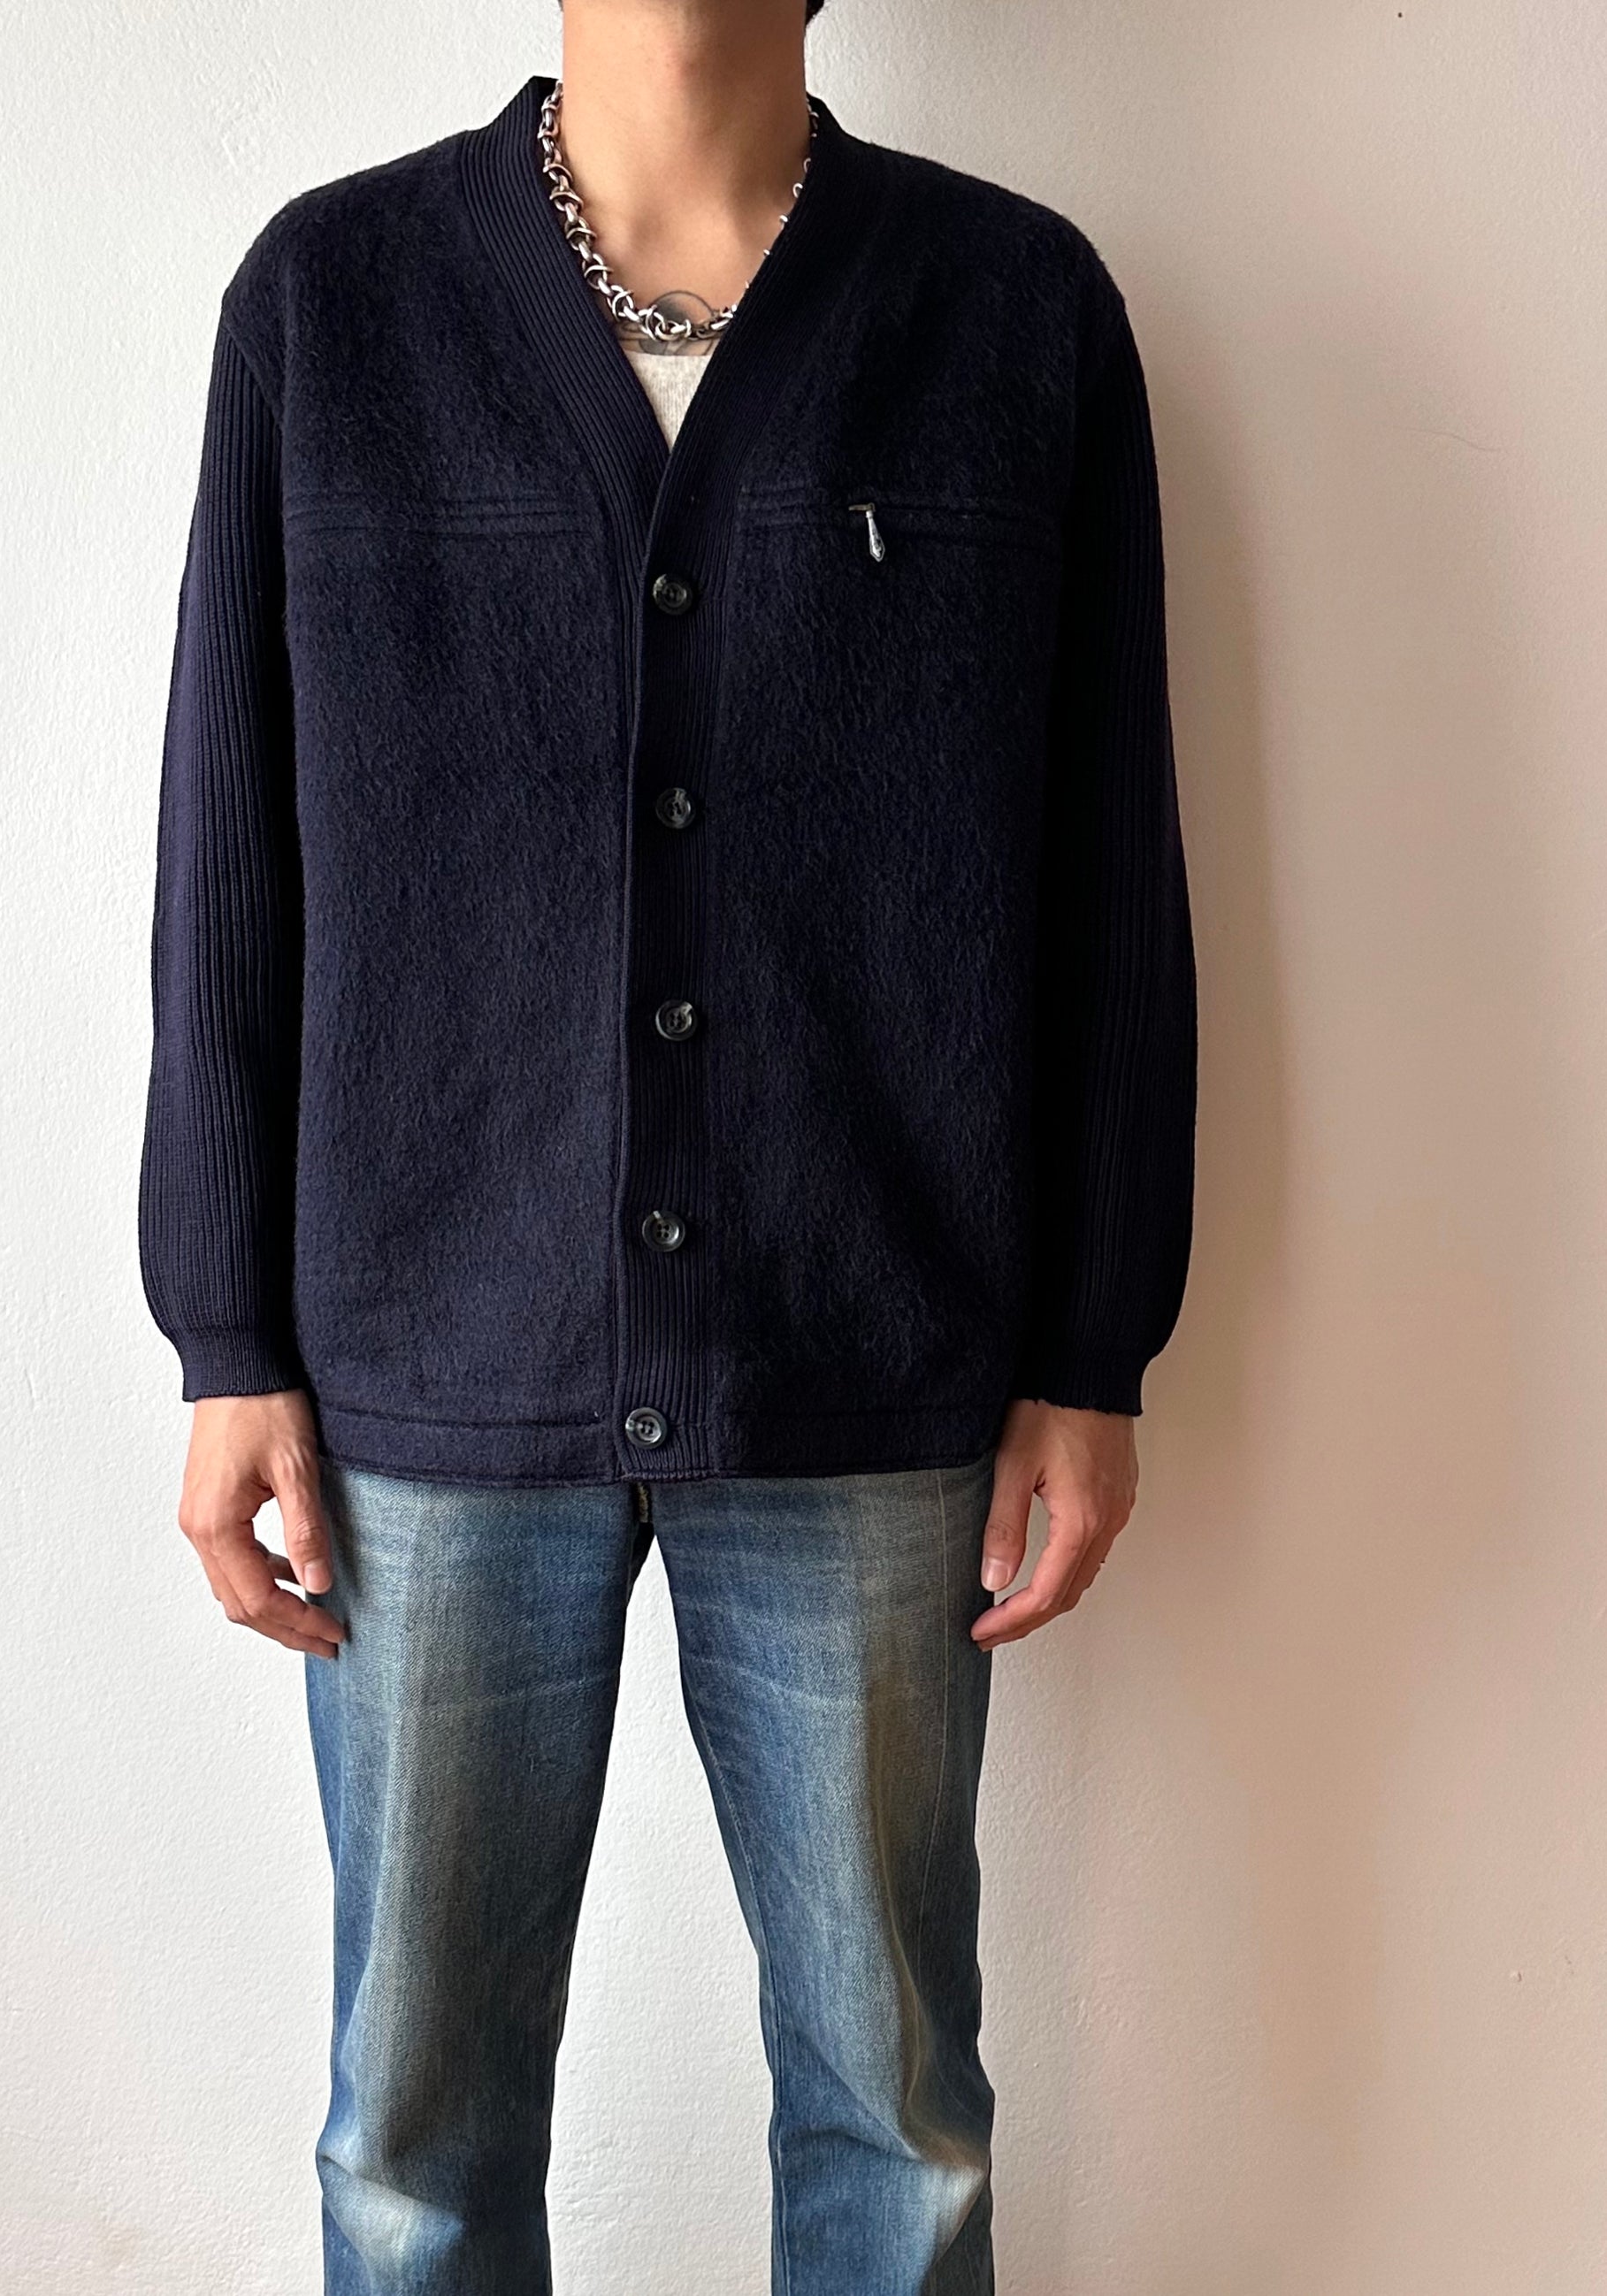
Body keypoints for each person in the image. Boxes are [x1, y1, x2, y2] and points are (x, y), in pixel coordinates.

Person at [138, 0, 1197, 2286]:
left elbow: (1109, 862)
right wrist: (224, 1328)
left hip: (870, 1349)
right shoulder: (332, 305)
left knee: (896, 2119)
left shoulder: (1011, 312)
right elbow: (230, 839)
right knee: (412, 2139)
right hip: (427, 1360)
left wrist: (1091, 1341)